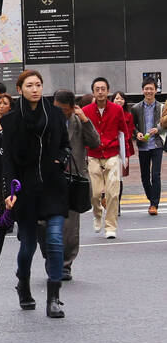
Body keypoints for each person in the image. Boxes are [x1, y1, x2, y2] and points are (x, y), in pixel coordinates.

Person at [2, 71, 70, 318]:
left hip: (53, 186)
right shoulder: (10, 121)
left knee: (54, 240)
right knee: (28, 246)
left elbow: (65, 145)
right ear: (19, 89)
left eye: (38, 85)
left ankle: (54, 297)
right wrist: (10, 192)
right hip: (26, 190)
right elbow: (8, 161)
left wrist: (59, 159)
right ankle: (23, 284)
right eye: (29, 85)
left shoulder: (55, 114)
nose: (35, 89)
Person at [54, 90, 100, 281]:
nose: (59, 112)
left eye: (63, 109)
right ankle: (52, 256)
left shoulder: (79, 121)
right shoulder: (46, 120)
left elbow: (95, 143)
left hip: (73, 180)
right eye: (56, 107)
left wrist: (86, 120)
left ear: (72, 108)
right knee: (43, 224)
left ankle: (65, 264)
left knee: (70, 227)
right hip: (49, 179)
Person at [83, 78, 133, 239]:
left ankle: (110, 226)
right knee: (95, 193)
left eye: (103, 88)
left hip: (112, 154)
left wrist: (124, 157)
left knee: (113, 193)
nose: (100, 92)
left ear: (108, 91)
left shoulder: (117, 110)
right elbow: (82, 135)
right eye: (97, 89)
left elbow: (123, 133)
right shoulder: (86, 110)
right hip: (93, 155)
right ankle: (97, 215)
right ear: (93, 92)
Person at [128, 78, 163, 215]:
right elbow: (132, 126)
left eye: (151, 88)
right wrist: (137, 134)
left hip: (157, 145)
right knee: (144, 176)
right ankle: (152, 199)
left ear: (156, 90)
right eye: (146, 88)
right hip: (143, 146)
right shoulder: (136, 108)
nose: (149, 91)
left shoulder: (161, 107)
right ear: (143, 90)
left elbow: (165, 124)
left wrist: (158, 129)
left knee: (156, 175)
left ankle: (154, 204)